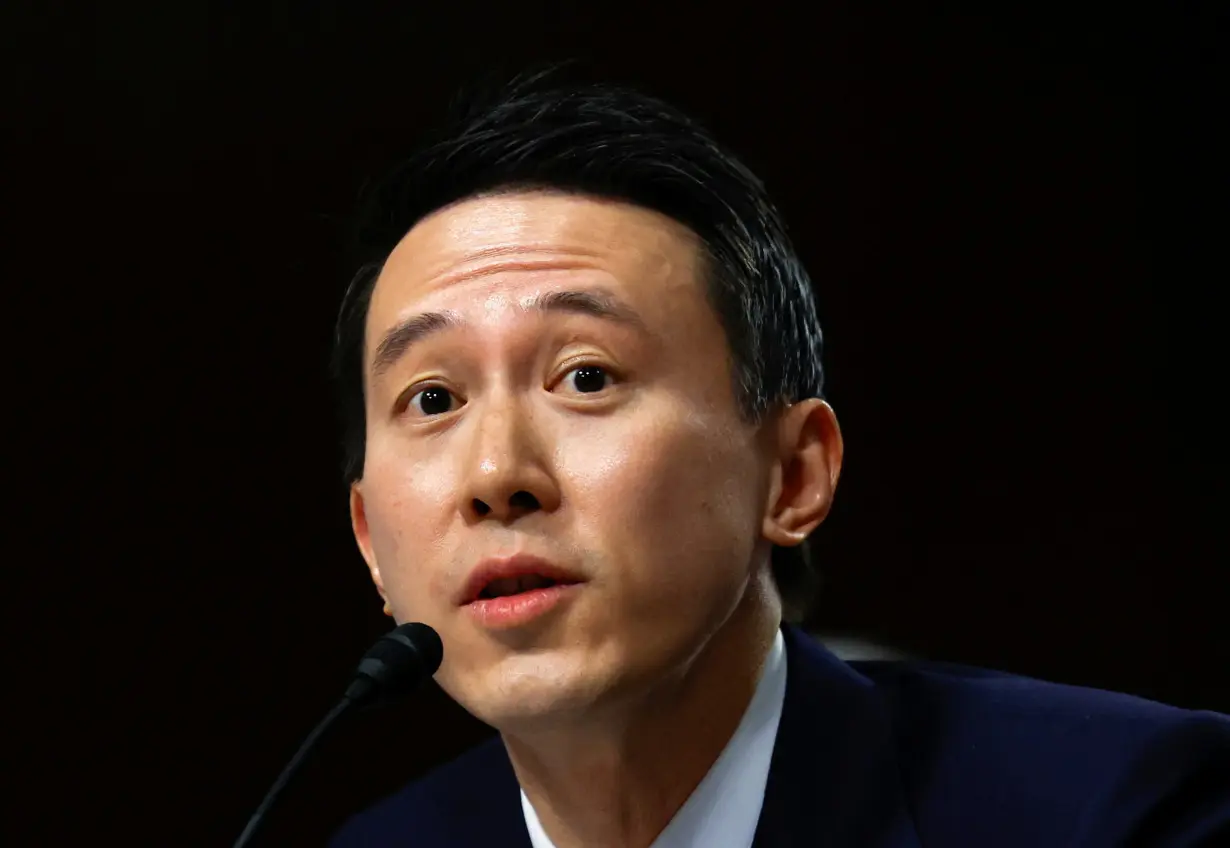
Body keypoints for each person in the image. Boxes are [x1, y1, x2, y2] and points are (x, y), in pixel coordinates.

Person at [327, 73, 1230, 847]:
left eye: (586, 375)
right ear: (371, 540)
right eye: (434, 399)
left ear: (795, 474)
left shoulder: (1116, 811)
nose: (496, 477)